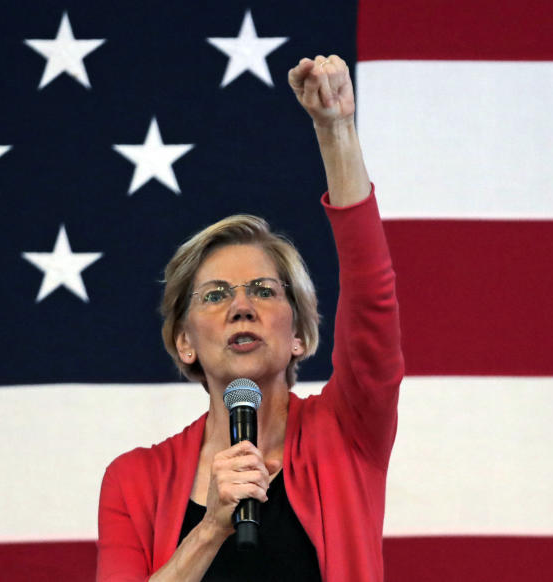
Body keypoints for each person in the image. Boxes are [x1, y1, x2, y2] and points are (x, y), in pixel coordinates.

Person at [96, 55, 405, 582]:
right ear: (184, 342)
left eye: (263, 290)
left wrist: (336, 131)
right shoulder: (136, 480)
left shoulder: (347, 435)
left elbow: (372, 297)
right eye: (215, 296)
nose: (241, 306)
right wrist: (212, 526)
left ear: (301, 335)